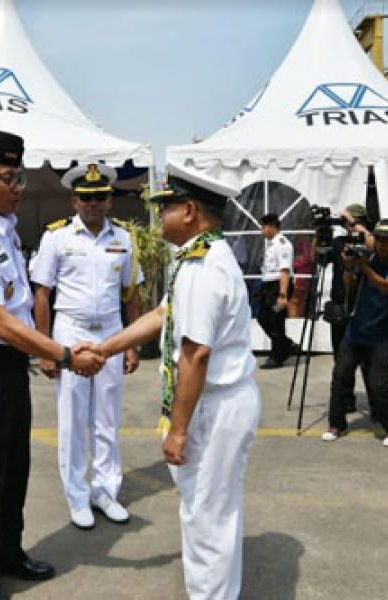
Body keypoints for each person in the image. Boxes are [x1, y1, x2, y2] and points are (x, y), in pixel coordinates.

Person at [0, 128, 105, 600]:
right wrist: (65, 355)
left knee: (14, 469)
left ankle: (9, 552)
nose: (17, 188)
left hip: (10, 369)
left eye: (20, 178)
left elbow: (20, 308)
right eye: (9, 178)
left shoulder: (3, 230)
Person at [95, 166, 260, 599]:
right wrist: (104, 349)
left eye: (164, 208)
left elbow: (196, 354)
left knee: (207, 517)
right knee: (209, 512)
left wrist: (180, 430)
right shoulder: (198, 258)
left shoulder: (203, 268)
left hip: (213, 406)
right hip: (213, 402)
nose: (159, 217)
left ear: (189, 211)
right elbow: (161, 315)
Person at [30, 163, 143, 530]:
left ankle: (106, 491)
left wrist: (132, 344)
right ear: (74, 200)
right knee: (74, 420)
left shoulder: (124, 238)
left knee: (107, 418)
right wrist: (47, 349)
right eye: (86, 197)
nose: (93, 203)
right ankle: (77, 496)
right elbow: (42, 295)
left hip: (110, 333)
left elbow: (131, 294)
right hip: (70, 332)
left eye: (100, 197)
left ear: (110, 200)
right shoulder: (57, 238)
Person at [321, 219, 388, 446]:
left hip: (381, 335)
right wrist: (349, 267)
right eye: (378, 239)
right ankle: (336, 424)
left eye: (386, 240)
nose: (381, 244)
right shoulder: (367, 257)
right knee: (340, 377)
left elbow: (386, 286)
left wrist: (364, 267)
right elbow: (349, 284)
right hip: (356, 330)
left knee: (379, 385)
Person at [318, 203, 374, 413]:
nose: (346, 226)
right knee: (342, 362)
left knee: (369, 361)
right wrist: (321, 232)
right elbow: (320, 259)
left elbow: (374, 247)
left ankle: (376, 403)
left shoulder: (369, 239)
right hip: (341, 307)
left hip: (365, 308)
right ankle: (346, 399)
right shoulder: (339, 242)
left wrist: (356, 226)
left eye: (350, 222)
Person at [257, 213, 297, 368]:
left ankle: (277, 356)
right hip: (269, 288)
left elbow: (284, 271)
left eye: (264, 227)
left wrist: (282, 295)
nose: (262, 230)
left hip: (278, 288)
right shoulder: (273, 244)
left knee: (275, 321)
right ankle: (286, 345)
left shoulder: (282, 244)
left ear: (272, 227)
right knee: (263, 317)